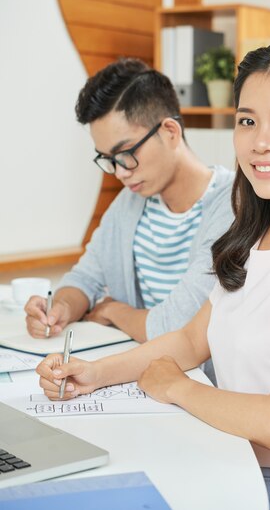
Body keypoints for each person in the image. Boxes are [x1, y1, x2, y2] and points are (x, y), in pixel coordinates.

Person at [37, 41, 270, 510]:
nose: (260, 141)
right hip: (237, 472)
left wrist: (176, 387)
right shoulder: (255, 236)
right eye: (247, 120)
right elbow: (190, 341)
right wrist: (92, 374)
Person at [25, 58, 234, 349]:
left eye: (126, 153)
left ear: (170, 132)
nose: (121, 172)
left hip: (202, 386)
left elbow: (176, 326)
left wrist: (112, 310)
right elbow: (85, 278)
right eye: (108, 160)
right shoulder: (131, 202)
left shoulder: (233, 205)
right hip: (138, 378)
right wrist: (59, 308)